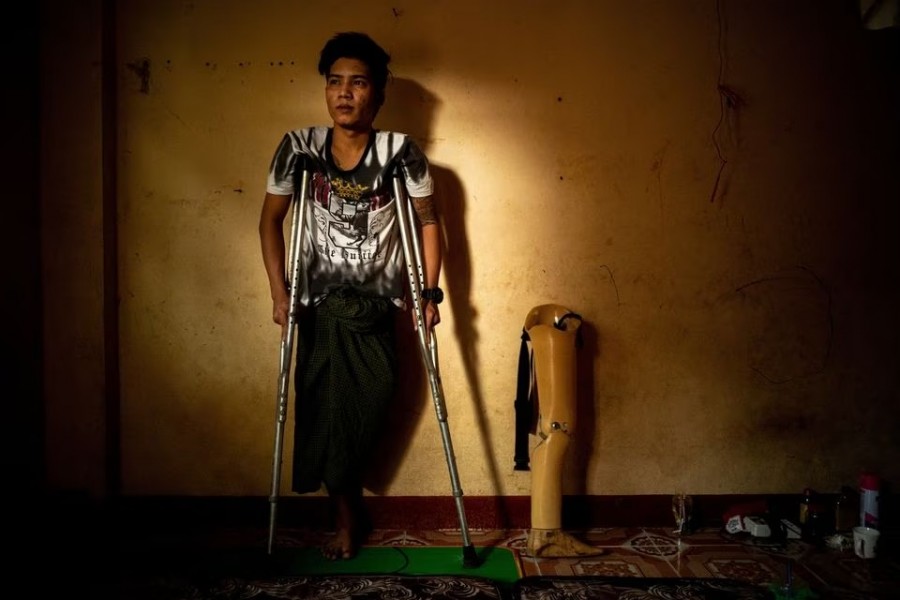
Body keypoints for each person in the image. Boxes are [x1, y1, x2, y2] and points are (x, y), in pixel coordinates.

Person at [258, 32, 443, 560]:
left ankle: (345, 507)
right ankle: (344, 518)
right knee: (324, 411)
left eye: (357, 82)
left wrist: (427, 293)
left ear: (378, 94)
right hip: (317, 306)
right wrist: (279, 292)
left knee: (367, 404)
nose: (344, 93)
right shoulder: (298, 148)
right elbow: (271, 221)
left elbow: (430, 222)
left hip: (378, 307)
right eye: (334, 82)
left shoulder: (401, 152)